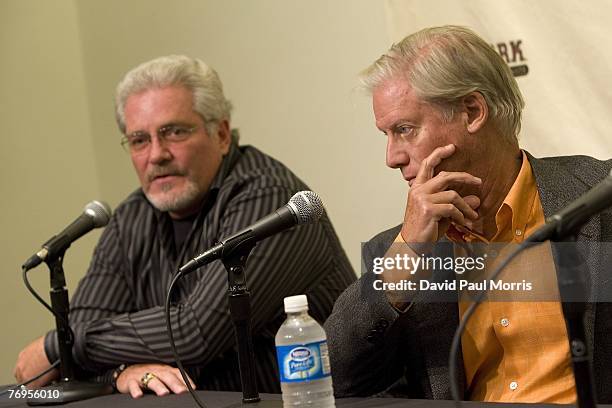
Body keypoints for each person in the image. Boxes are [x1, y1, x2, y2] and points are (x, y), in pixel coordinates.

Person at [14, 55, 355, 398]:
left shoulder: (269, 197)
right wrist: (123, 370)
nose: (157, 154)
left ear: (221, 134)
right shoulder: (132, 217)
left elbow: (197, 332)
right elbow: (82, 334)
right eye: (139, 140)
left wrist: (60, 345)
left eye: (174, 132)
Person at [325, 25, 612, 404]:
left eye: (405, 129)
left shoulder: (596, 197)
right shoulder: (400, 251)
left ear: (473, 111)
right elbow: (334, 380)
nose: (392, 157)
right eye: (387, 135)